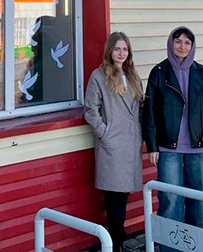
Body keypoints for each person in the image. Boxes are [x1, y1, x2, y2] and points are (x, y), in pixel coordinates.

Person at [142, 26, 203, 245]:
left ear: (192, 46)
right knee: (170, 198)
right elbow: (149, 112)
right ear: (171, 43)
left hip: (198, 148)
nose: (182, 46)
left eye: (187, 42)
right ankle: (170, 246)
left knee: (197, 198)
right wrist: (152, 146)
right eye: (178, 41)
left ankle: (192, 244)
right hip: (168, 147)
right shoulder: (159, 72)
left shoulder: (201, 74)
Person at [83, 32, 144, 251]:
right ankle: (115, 242)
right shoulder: (99, 76)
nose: (121, 53)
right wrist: (105, 133)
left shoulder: (133, 75)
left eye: (125, 49)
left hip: (131, 142)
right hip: (112, 144)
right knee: (113, 197)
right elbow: (91, 110)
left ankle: (117, 236)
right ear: (110, 51)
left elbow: (140, 106)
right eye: (117, 49)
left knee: (123, 195)